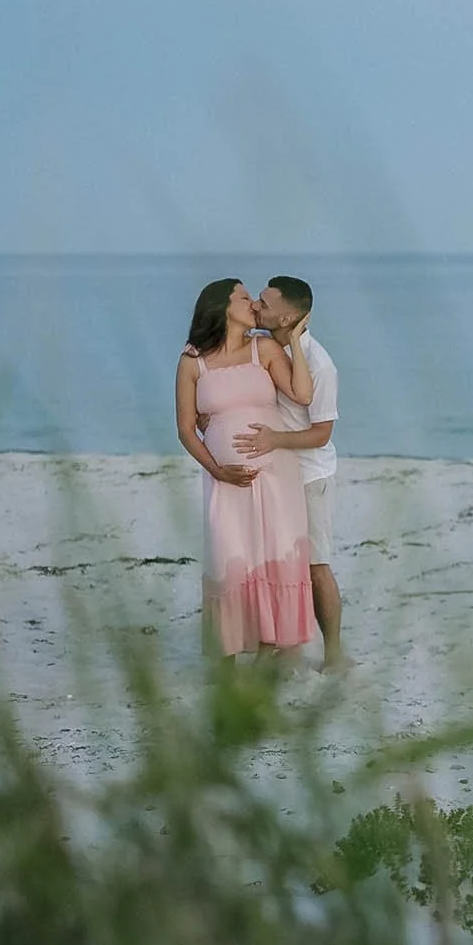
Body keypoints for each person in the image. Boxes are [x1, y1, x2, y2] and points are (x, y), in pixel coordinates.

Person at [174, 278, 315, 659]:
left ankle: (271, 649)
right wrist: (218, 470)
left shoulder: (264, 348)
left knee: (272, 554)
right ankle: (227, 654)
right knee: (230, 559)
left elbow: (302, 394)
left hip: (276, 476)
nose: (252, 302)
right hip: (224, 481)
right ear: (222, 307)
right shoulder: (192, 361)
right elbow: (186, 429)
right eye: (243, 297)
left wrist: (297, 340)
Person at [233, 275, 349, 670]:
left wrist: (275, 440)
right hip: (271, 474)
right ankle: (280, 645)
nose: (256, 307)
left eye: (265, 304)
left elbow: (322, 434)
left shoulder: (319, 365)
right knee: (273, 564)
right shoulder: (260, 349)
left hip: (309, 477)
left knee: (315, 566)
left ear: (289, 317)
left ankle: (334, 653)